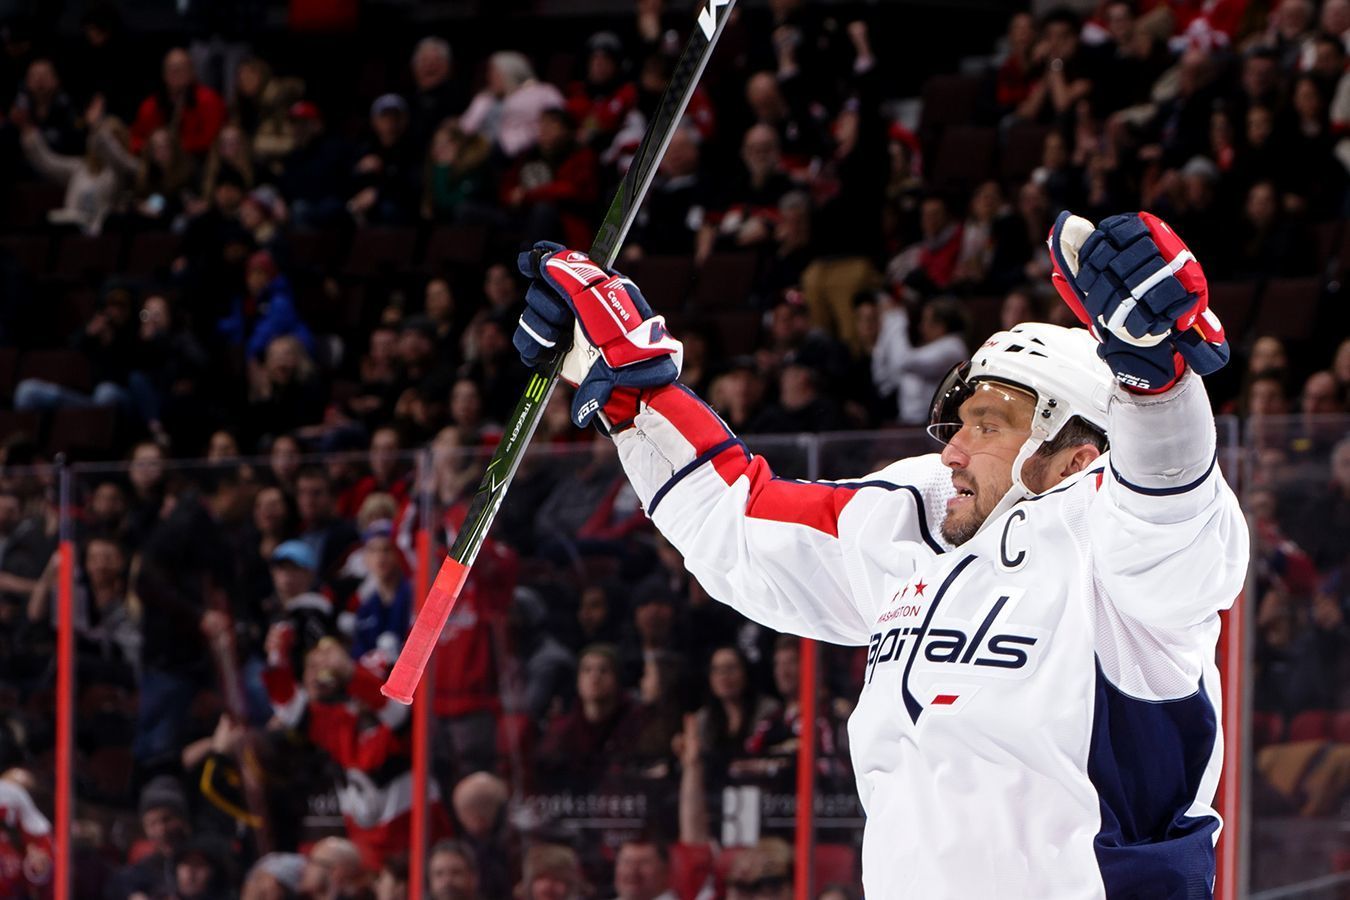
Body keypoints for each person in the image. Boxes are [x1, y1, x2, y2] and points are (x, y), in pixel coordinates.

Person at [511, 205, 1248, 896]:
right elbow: (736, 522)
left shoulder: (1116, 542)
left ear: (1076, 456)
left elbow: (1167, 511)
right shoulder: (916, 517)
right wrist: (632, 391)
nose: (953, 450)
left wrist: (1158, 389)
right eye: (958, 422)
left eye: (989, 425)